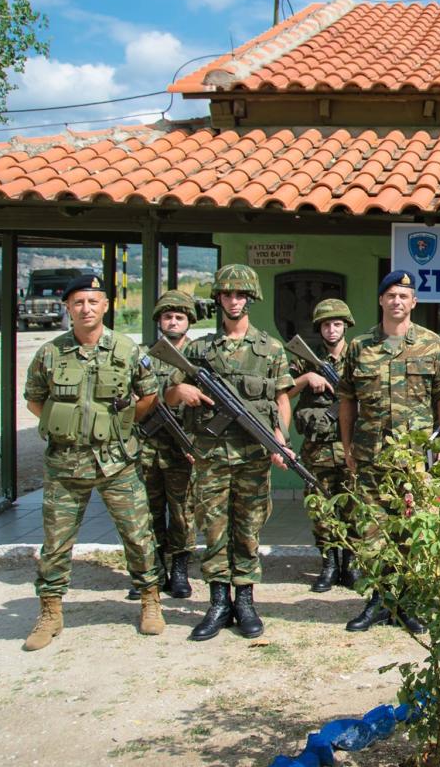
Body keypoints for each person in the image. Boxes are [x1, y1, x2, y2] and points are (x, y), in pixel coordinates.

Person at [21, 274, 165, 651]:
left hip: (116, 461)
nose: (86, 309)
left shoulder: (127, 350)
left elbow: (148, 397)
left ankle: (150, 599)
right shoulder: (50, 354)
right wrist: (65, 425)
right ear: (68, 308)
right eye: (78, 303)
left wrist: (118, 426)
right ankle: (50, 612)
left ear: (105, 306)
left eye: (92, 302)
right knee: (55, 543)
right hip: (66, 465)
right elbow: (35, 400)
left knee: (138, 534)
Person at [167, 264, 296, 641]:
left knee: (249, 528)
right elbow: (170, 393)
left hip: (253, 457)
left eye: (240, 295)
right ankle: (218, 601)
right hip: (211, 455)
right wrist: (182, 393)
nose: (234, 301)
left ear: (250, 299)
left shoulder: (270, 348)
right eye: (227, 294)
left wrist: (280, 437)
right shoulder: (198, 349)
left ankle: (245, 600)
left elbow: (282, 399)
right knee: (214, 527)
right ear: (218, 298)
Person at [336, 270, 440, 633]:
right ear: (381, 301)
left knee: (411, 531)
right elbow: (347, 399)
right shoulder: (360, 346)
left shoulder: (433, 344)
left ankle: (408, 602)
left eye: (404, 296)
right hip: (371, 453)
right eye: (390, 296)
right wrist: (347, 445)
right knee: (373, 531)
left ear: (414, 302)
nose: (397, 302)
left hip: (414, 457)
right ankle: (377, 601)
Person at [288, 298, 356, 593]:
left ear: (346, 327)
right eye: (326, 325)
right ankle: (329, 565)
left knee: (354, 507)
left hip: (350, 447)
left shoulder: (359, 355)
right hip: (317, 448)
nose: (331, 330)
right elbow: (284, 391)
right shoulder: (306, 358)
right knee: (320, 508)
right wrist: (306, 377)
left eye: (337, 324)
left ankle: (350, 564)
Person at [137, 289, 198, 600]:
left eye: (179, 317)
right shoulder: (142, 357)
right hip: (147, 446)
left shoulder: (197, 357)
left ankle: (180, 571)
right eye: (167, 316)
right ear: (159, 320)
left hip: (181, 447)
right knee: (148, 511)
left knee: (182, 512)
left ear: (189, 321)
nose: (173, 322)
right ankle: (154, 571)